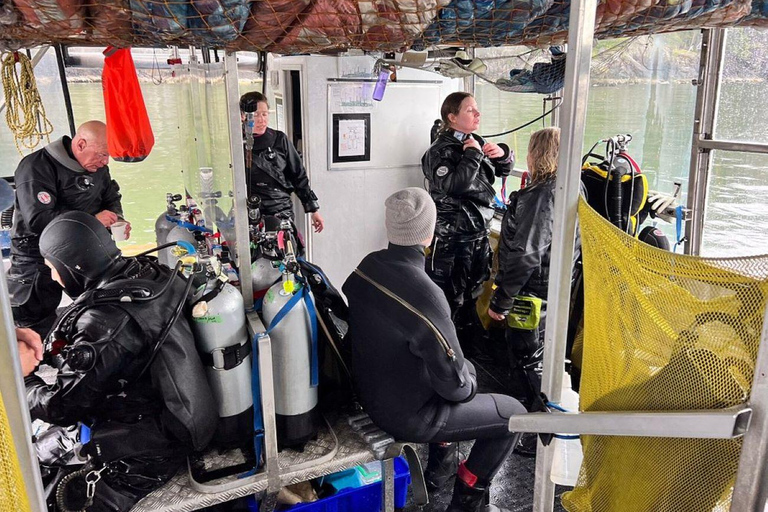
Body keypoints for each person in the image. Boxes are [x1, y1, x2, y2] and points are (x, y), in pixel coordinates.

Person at [343, 188, 526, 512]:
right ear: (429, 233)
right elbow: (458, 390)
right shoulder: (426, 295)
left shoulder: (366, 267)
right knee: (514, 414)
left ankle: (436, 476)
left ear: (390, 227)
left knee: (447, 371)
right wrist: (467, 372)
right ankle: (464, 505)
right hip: (408, 416)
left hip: (370, 393)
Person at [27, 211, 217, 511]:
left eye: (53, 267)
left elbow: (60, 406)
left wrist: (24, 381)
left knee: (52, 499)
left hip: (148, 449)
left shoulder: (106, 320)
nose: (52, 276)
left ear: (74, 265)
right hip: (173, 412)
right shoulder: (150, 274)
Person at [8, 120, 128, 337]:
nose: (105, 161)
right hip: (36, 255)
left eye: (108, 156)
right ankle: (29, 367)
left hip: (83, 253)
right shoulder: (36, 167)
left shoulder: (99, 168)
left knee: (100, 309)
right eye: (102, 154)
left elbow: (111, 197)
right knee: (32, 319)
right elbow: (39, 219)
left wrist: (116, 219)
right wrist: (93, 221)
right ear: (81, 144)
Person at [487, 128, 576, 410]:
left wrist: (502, 300)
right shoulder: (570, 185)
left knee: (528, 357)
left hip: (532, 294)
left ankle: (538, 424)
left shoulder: (541, 196)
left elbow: (526, 253)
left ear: (537, 154)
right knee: (540, 354)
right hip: (554, 286)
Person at [422, 92, 513, 349]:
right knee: (448, 300)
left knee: (473, 294)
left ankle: (469, 351)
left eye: (477, 109)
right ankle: (444, 354)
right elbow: (454, 185)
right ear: (452, 117)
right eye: (470, 110)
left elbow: (502, 171)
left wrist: (502, 154)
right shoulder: (439, 152)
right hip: (453, 239)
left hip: (478, 236)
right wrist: (473, 155)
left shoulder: (476, 141)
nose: (478, 114)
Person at [239, 91, 324, 233]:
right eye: (255, 115)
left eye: (264, 114)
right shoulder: (236, 143)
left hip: (280, 209)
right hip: (249, 210)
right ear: (243, 116)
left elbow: (298, 175)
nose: (261, 120)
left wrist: (313, 209)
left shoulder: (279, 139)